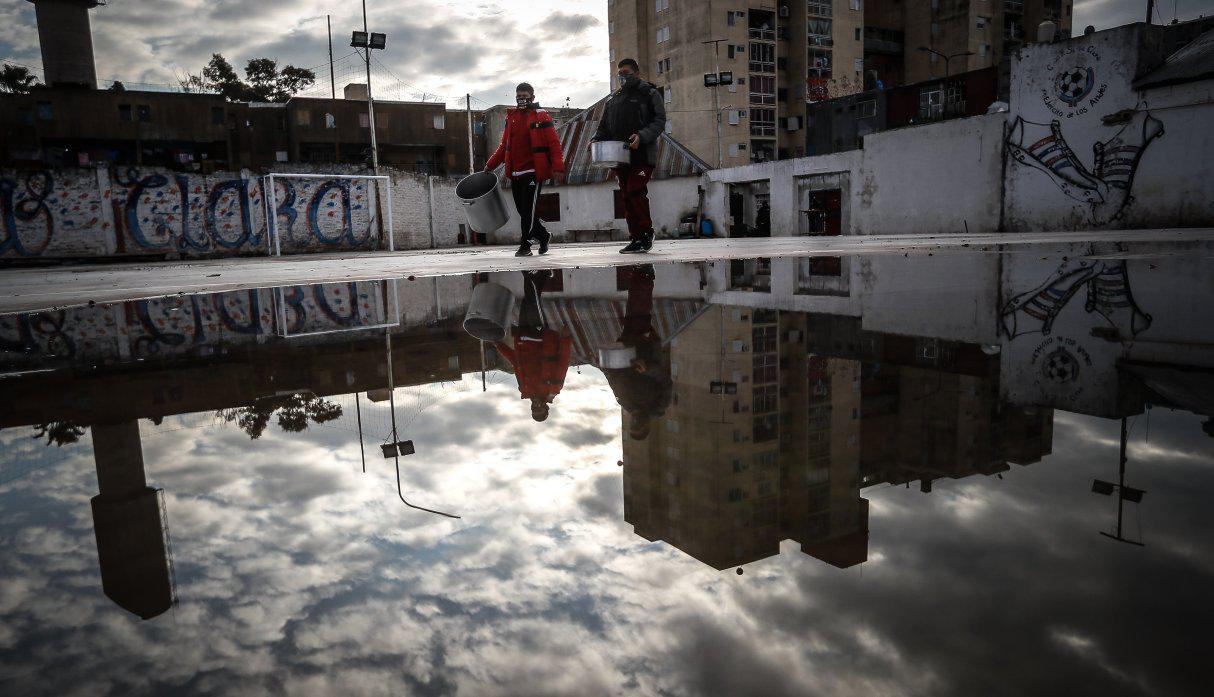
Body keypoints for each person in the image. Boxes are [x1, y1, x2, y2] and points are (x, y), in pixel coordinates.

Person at [591, 59, 667, 254]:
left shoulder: (649, 93)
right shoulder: (614, 100)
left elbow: (659, 121)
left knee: (636, 191)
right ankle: (635, 238)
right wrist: (596, 139)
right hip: (620, 157)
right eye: (620, 74)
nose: (623, 77)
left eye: (626, 72)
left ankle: (646, 234)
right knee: (625, 196)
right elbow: (604, 127)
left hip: (642, 155)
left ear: (637, 73)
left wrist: (642, 136)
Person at [486, 83, 566, 257]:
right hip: (515, 173)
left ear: (532, 97)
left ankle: (526, 245)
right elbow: (503, 146)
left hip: (534, 172)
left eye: (525, 96)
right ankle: (543, 236)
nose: (521, 99)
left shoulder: (541, 116)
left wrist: (558, 167)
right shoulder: (511, 118)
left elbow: (554, 144)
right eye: (518, 96)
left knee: (528, 212)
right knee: (524, 212)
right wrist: (490, 165)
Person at [603, 264, 672, 440]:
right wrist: (647, 368)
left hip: (627, 349)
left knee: (634, 312)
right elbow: (665, 381)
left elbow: (614, 381)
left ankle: (640, 275)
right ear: (646, 427)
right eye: (638, 427)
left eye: (632, 427)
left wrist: (606, 364)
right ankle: (645, 276)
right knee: (640, 312)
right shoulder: (659, 406)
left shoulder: (627, 404)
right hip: (646, 347)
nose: (635, 423)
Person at [494, 271, 573, 422]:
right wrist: (566, 338)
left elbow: (516, 363)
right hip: (541, 335)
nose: (535, 407)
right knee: (532, 300)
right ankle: (528, 274)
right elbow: (563, 361)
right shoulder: (553, 388)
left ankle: (541, 276)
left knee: (528, 301)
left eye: (533, 410)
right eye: (539, 410)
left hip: (523, 336)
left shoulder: (525, 389)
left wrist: (499, 345)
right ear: (546, 407)